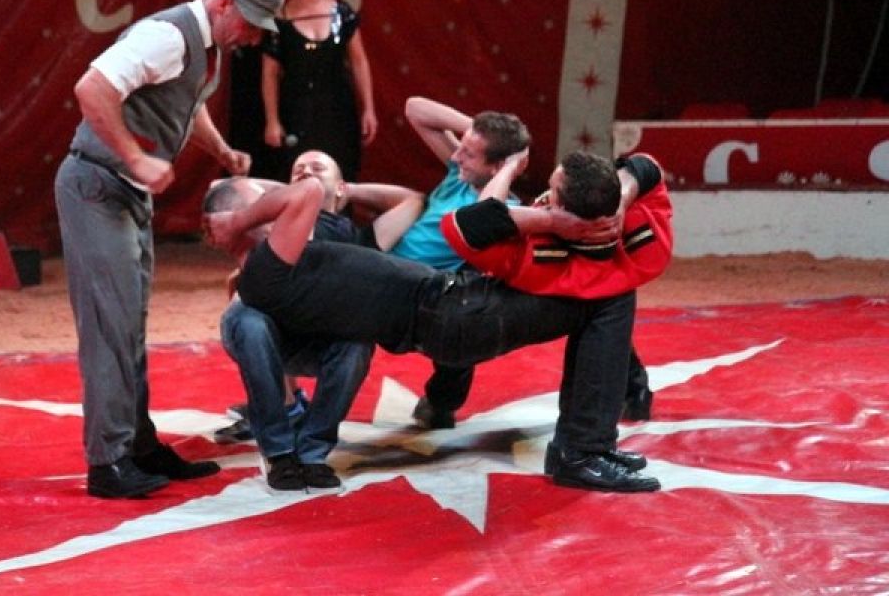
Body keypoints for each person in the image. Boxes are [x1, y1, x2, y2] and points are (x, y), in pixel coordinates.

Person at [202, 152, 667, 493]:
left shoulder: (305, 250)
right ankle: (582, 452)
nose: (272, 202)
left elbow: (315, 196)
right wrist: (238, 220)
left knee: (604, 293)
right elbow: (304, 192)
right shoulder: (264, 273)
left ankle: (582, 446)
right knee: (609, 296)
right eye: (262, 203)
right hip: (450, 312)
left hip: (453, 309)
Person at [55, 0, 284, 499]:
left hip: (122, 191)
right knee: (109, 327)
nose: (252, 37)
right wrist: (135, 157)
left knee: (128, 324)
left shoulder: (202, 47)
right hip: (98, 186)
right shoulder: (167, 35)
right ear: (223, 3)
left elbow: (187, 103)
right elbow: (91, 89)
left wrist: (221, 150)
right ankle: (108, 463)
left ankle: (136, 443)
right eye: (250, 23)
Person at [394, 97, 654, 429]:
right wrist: (481, 135)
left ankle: (441, 403)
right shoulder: (459, 173)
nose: (458, 155)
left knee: (588, 298)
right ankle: (634, 386)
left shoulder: (512, 212)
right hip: (393, 266)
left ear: (496, 167)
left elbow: (481, 218)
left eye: (469, 153)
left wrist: (510, 166)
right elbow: (415, 108)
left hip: (436, 288)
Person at [438, 149, 673, 482]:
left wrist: (543, 214)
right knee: (612, 303)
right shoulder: (647, 245)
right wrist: (622, 199)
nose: (545, 196)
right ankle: (586, 444)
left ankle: (582, 450)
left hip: (457, 319)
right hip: (474, 316)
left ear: (563, 211)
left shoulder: (531, 245)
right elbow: (647, 166)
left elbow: (466, 222)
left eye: (551, 191)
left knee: (607, 306)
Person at [218, 150, 423, 491]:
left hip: (317, 340)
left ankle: (313, 452)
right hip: (263, 330)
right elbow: (221, 191)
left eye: (317, 168)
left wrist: (348, 190)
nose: (305, 172)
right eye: (297, 169)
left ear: (340, 188)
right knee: (251, 320)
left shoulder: (357, 239)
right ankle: (280, 453)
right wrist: (289, 194)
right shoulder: (270, 221)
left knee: (358, 341)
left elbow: (412, 200)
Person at [258, 0, 377, 183]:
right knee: (300, 178)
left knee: (341, 176)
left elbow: (359, 62)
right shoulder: (279, 21)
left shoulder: (342, 14)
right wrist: (272, 120)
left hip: (338, 111)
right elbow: (269, 74)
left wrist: (369, 109)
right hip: (297, 113)